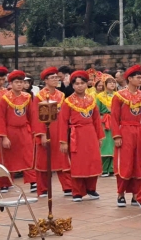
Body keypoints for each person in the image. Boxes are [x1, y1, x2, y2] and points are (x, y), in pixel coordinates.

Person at [58, 71, 104, 202]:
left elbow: (96, 120)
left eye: (82, 83)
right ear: (72, 85)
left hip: (90, 133)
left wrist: (99, 137)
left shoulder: (91, 100)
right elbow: (62, 122)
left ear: (86, 84)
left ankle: (91, 188)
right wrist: (63, 141)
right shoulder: (68, 102)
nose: (79, 86)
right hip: (76, 135)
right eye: (77, 83)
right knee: (78, 163)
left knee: (93, 161)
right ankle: (77, 191)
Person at [112, 65, 141, 209]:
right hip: (125, 131)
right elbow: (114, 117)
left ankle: (136, 194)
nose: (140, 80)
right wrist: (117, 136)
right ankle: (120, 194)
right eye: (138, 77)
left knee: (138, 163)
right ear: (130, 78)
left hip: (139, 131)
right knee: (124, 164)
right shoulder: (119, 96)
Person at [34, 68, 71, 198]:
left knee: (62, 158)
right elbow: (36, 117)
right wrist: (42, 134)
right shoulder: (39, 96)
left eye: (57, 77)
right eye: (52, 78)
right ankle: (43, 188)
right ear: (45, 80)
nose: (56, 80)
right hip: (46, 130)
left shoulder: (61, 95)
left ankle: (68, 186)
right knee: (43, 160)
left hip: (59, 130)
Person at [0, 70, 36, 182]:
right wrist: (4, 137)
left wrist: (33, 131)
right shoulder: (4, 99)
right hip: (10, 131)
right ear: (10, 83)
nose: (19, 84)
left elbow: (32, 116)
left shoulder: (27, 97)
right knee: (9, 157)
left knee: (29, 155)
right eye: (16, 82)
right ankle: (6, 182)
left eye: (21, 82)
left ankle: (33, 181)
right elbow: (1, 119)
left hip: (24, 130)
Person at [95, 74, 117, 177]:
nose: (112, 84)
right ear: (105, 84)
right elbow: (96, 111)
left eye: (113, 82)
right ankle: (104, 169)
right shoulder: (99, 96)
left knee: (114, 144)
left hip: (115, 121)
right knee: (105, 144)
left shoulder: (117, 95)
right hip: (104, 122)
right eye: (110, 82)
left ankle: (112, 168)